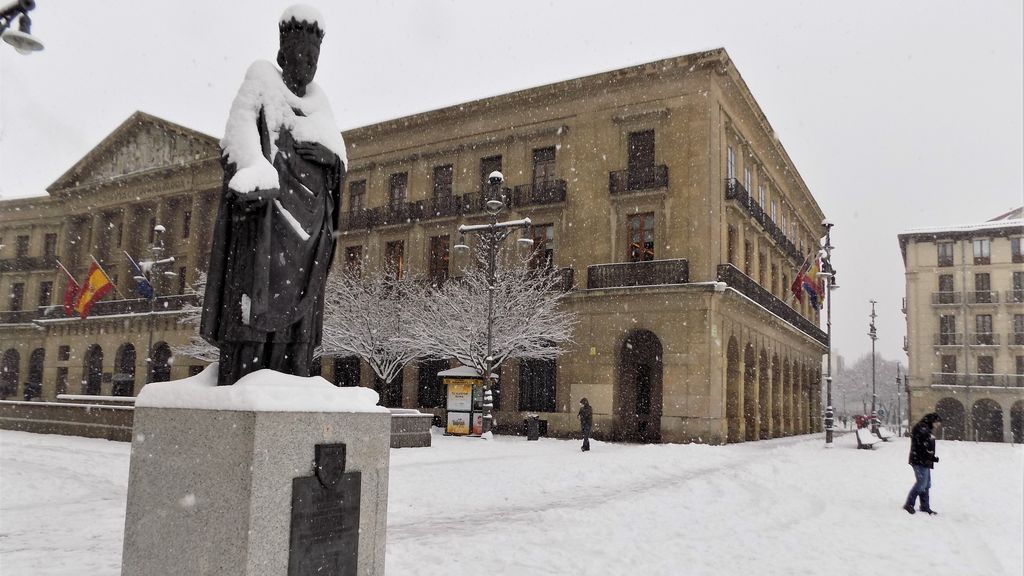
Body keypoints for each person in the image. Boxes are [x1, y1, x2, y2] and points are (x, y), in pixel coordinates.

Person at [201, 5, 347, 386]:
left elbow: (338, 164)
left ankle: (290, 380)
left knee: (298, 326)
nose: (308, 64)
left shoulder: (320, 107)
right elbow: (236, 141)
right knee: (252, 307)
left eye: (314, 58)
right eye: (301, 54)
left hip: (309, 239)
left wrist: (331, 161)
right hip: (265, 228)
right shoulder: (261, 83)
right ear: (283, 54)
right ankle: (246, 378)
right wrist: (254, 171)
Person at [904, 412, 942, 515]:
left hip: (924, 461)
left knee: (926, 484)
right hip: (919, 461)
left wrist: (932, 457)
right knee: (921, 484)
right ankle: (909, 504)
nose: (938, 425)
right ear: (932, 421)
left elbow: (926, 447)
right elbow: (921, 446)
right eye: (937, 423)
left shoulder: (926, 428)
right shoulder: (922, 428)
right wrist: (929, 455)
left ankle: (925, 506)